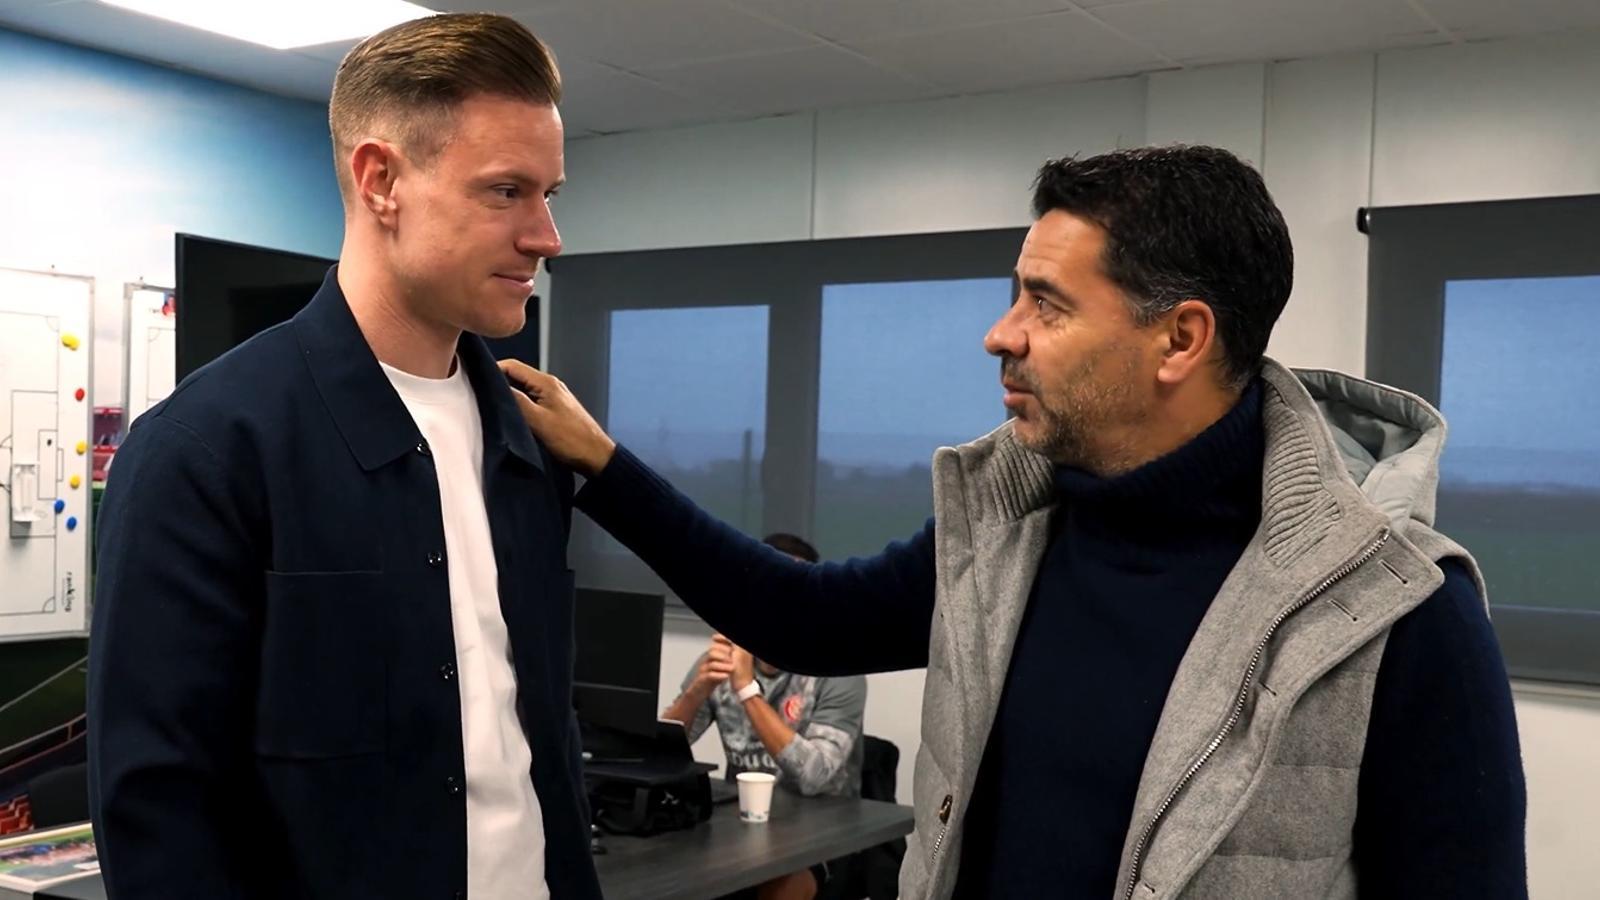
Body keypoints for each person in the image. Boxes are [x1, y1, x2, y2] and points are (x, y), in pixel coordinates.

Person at [499, 145, 1528, 899]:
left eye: (1047, 303)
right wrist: (605, 468)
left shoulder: (1397, 612)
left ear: (1179, 339)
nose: (1001, 334)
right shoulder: (1006, 532)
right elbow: (803, 616)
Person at [87, 14, 599, 899]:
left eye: (549, 193)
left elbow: (536, 742)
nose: (546, 235)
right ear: (381, 181)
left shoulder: (528, 439)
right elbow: (159, 818)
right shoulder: (206, 452)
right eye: (507, 191)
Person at [663, 533, 867, 900]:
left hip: (823, 836)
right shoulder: (725, 660)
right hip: (743, 828)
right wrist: (697, 691)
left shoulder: (837, 670)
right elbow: (660, 752)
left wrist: (747, 690)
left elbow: (815, 777)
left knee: (779, 888)